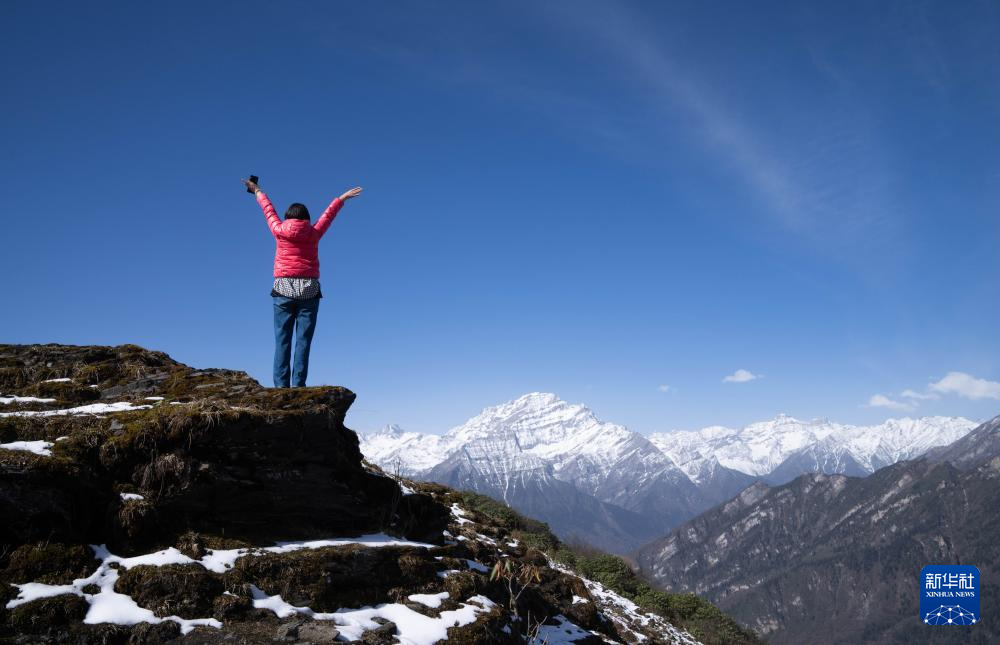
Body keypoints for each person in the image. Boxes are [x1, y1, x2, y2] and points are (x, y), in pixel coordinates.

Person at [241, 177, 363, 388]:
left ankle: (281, 387)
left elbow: (268, 210)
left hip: (283, 290)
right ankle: (298, 386)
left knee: (282, 340)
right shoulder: (314, 233)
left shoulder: (279, 231)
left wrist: (257, 190)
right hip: (309, 291)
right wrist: (341, 198)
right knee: (303, 342)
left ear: (288, 218)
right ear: (307, 219)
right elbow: (328, 215)